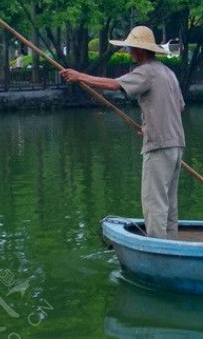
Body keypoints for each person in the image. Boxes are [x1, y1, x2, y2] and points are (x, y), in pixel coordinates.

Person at [60, 26, 185, 239]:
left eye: (131, 48)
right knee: (169, 202)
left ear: (140, 51)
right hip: (177, 145)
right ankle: (172, 242)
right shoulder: (168, 72)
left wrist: (79, 76)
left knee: (154, 202)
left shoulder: (146, 71)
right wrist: (149, 127)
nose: (129, 52)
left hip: (160, 146)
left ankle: (158, 249)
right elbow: (180, 106)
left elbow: (114, 84)